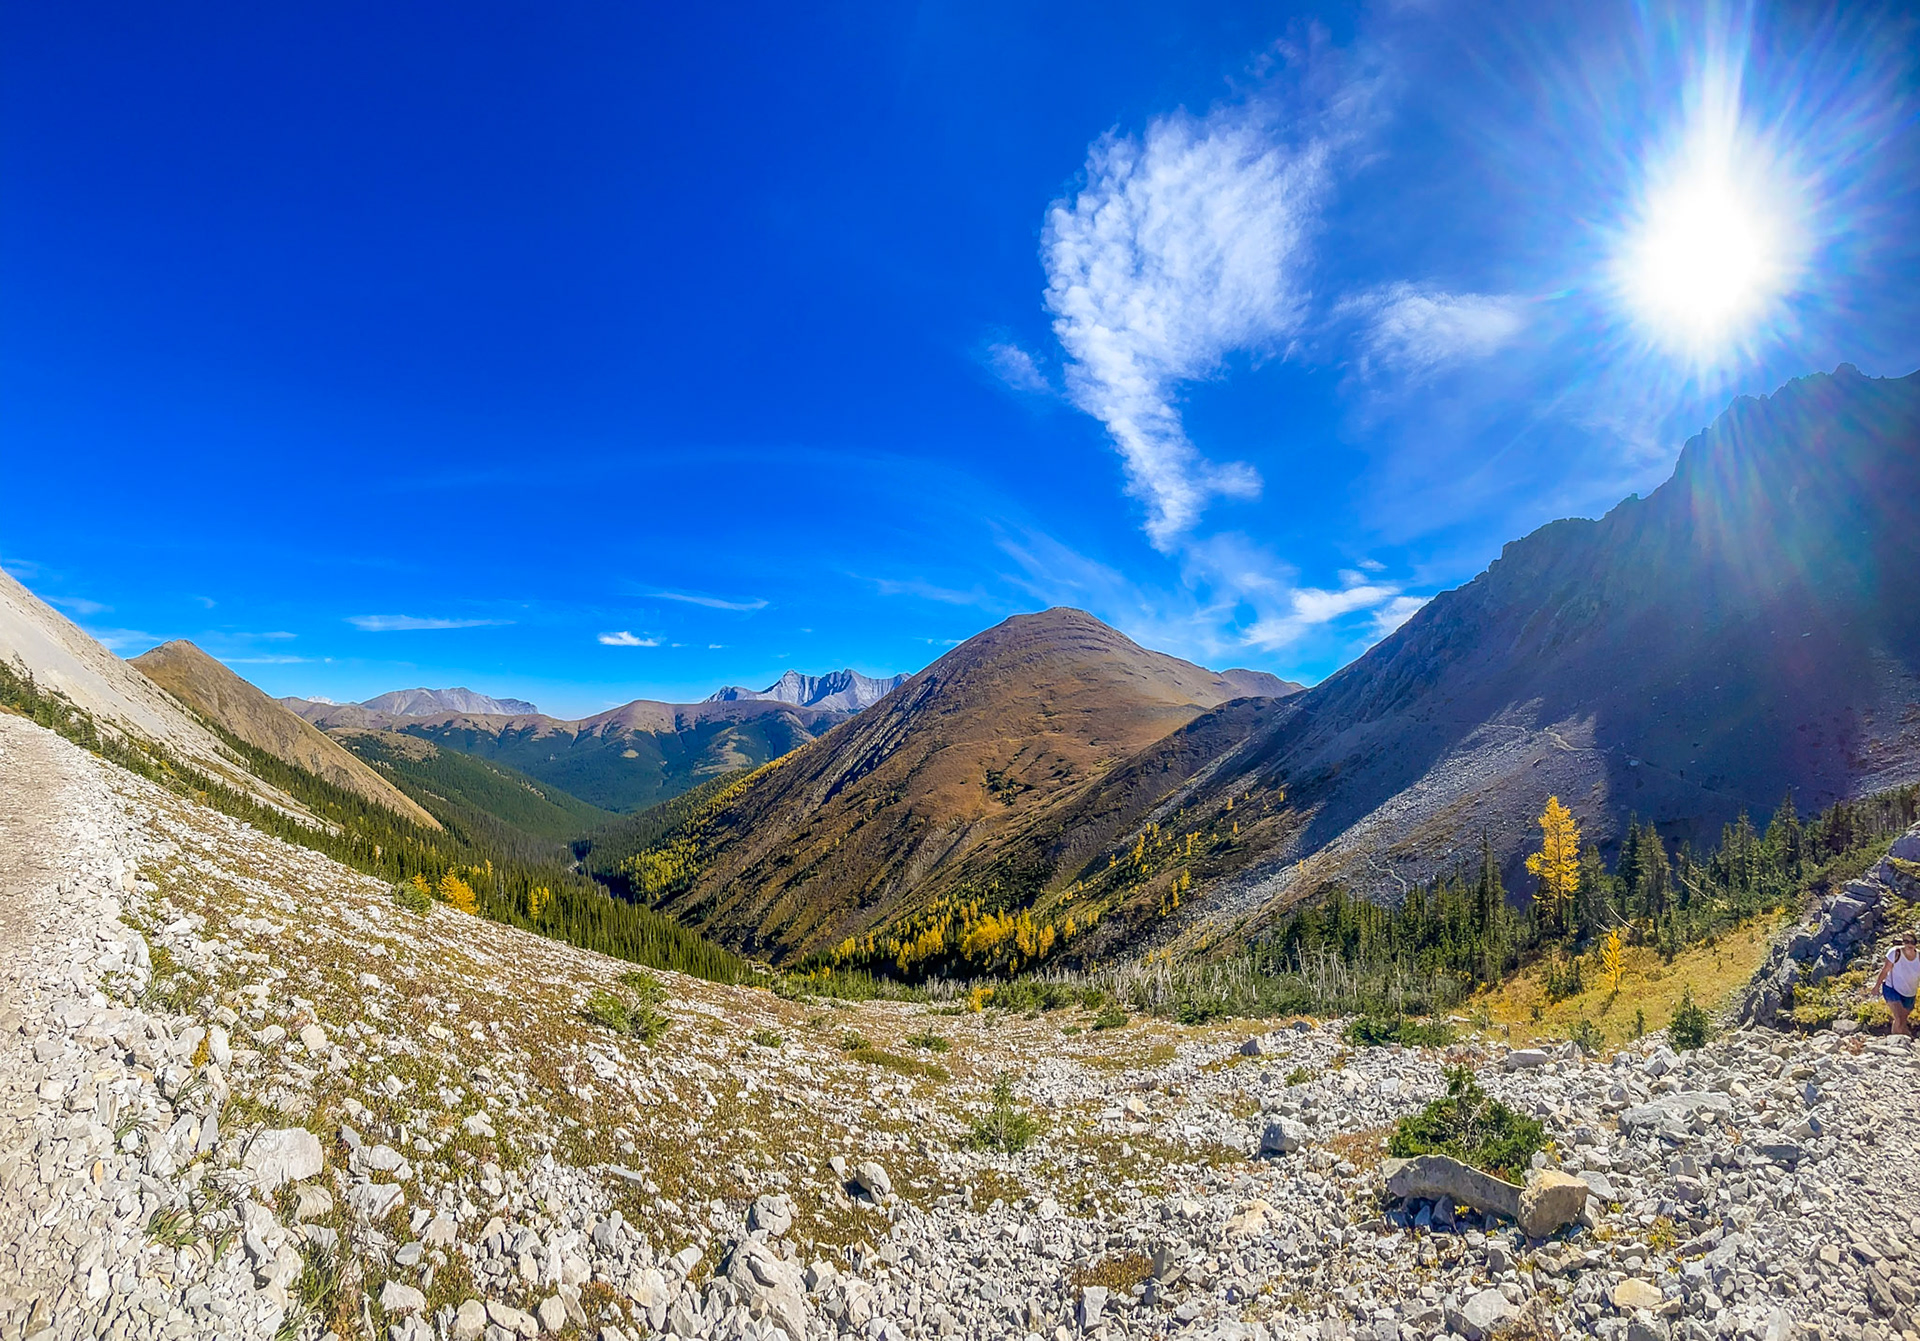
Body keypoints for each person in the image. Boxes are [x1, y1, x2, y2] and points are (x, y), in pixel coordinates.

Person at [1873, 930, 1920, 1037]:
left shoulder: (1919, 957)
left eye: (1911, 941)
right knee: (1899, 1019)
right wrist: (1876, 987)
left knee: (1901, 1022)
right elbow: (1885, 971)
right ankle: (1905, 1042)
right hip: (1892, 989)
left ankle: (1895, 1041)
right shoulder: (1895, 953)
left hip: (1909, 994)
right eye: (1905, 941)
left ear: (1915, 943)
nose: (1908, 944)